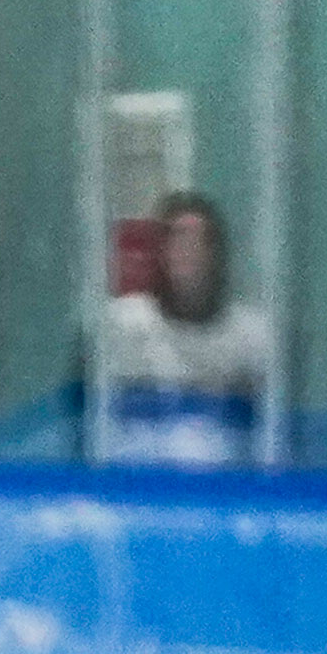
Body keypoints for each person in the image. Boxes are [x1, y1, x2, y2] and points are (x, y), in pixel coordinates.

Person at [95, 191, 273, 469]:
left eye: (200, 242)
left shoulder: (251, 337)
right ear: (160, 251)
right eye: (177, 240)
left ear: (218, 255)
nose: (189, 253)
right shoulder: (122, 325)